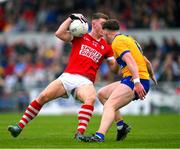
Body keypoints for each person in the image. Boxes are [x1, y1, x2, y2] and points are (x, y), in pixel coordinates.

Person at [7, 13, 118, 141]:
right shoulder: (80, 35)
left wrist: (121, 58)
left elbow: (113, 68)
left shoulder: (107, 46)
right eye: (102, 24)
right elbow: (59, 33)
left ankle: (79, 133)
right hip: (68, 76)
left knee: (91, 98)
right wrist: (71, 18)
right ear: (93, 24)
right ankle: (19, 127)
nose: (105, 28)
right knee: (42, 97)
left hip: (85, 81)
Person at [81, 19, 157, 142]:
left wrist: (138, 82)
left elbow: (130, 61)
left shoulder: (117, 42)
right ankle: (121, 126)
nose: (102, 35)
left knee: (110, 105)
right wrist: (151, 75)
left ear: (107, 32)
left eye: (102, 32)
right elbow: (145, 60)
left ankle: (99, 136)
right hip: (135, 79)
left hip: (135, 80)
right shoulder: (128, 39)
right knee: (102, 94)